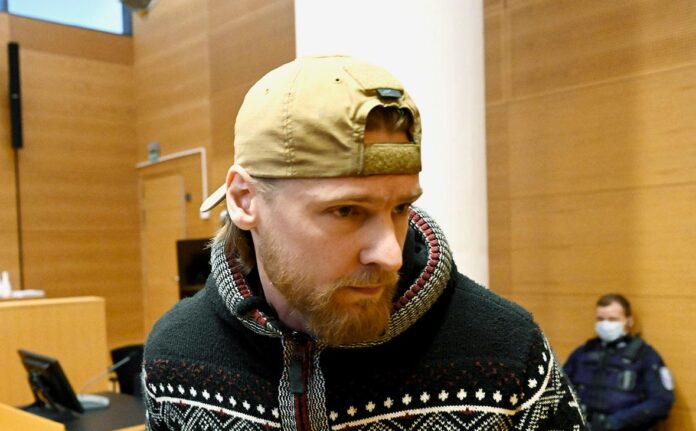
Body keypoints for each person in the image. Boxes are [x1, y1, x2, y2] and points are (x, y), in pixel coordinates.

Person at [142, 55, 587, 431]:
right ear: (244, 200)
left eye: (400, 208)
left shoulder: (507, 355)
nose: (390, 254)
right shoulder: (174, 357)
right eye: (347, 211)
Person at [564, 294, 674, 431]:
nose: (605, 324)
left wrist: (614, 423)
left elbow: (661, 402)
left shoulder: (645, 356)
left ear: (629, 321)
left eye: (613, 319)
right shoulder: (583, 353)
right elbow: (560, 390)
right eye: (600, 319)